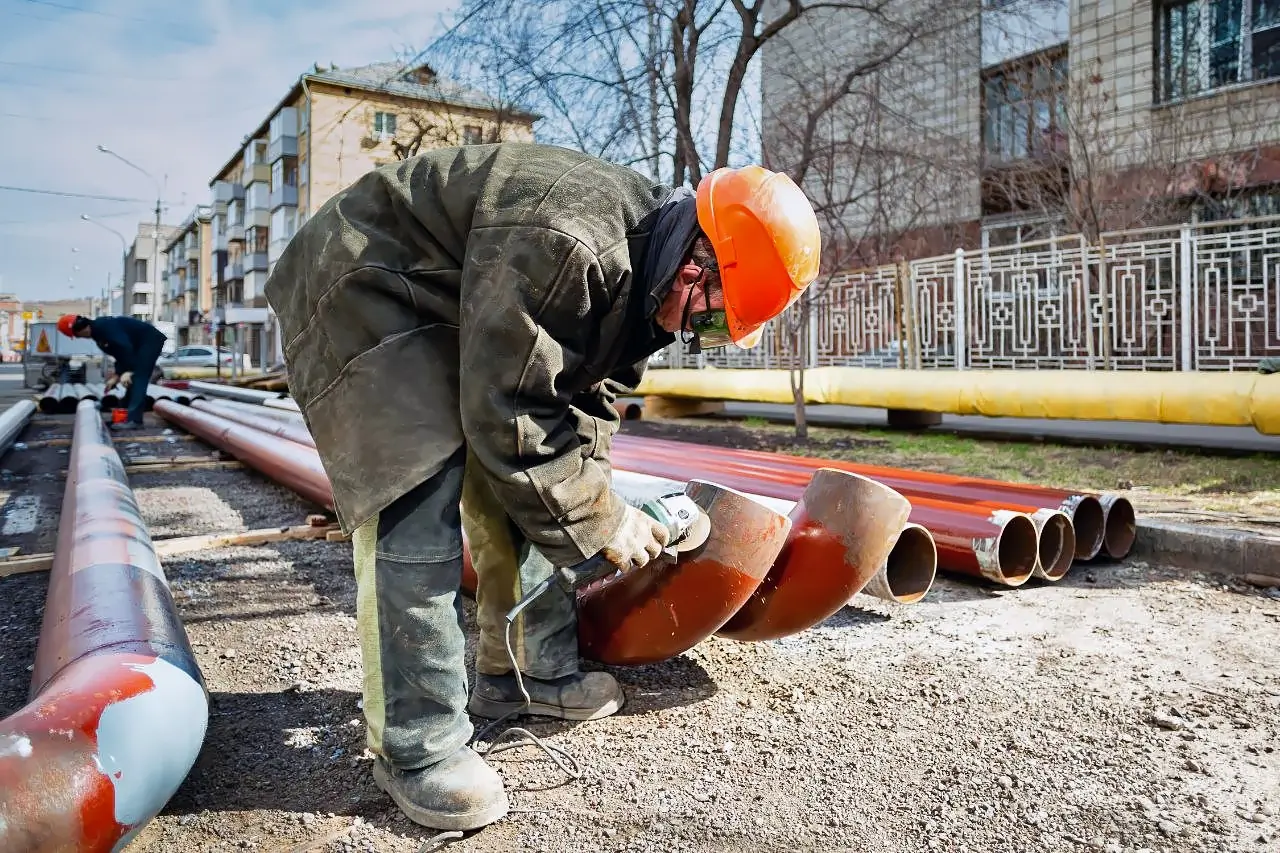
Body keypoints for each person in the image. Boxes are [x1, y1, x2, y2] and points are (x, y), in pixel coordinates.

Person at [264, 142, 820, 832]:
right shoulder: (574, 245)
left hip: (456, 299)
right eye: (708, 317)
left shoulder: (639, 279)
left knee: (519, 481)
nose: (694, 334)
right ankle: (417, 746)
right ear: (694, 266)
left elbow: (585, 403)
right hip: (365, 281)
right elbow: (510, 413)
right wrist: (601, 520)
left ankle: (526, 672)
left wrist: (597, 499)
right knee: (414, 494)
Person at [57, 314, 167, 430]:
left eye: (77, 336)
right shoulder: (98, 334)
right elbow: (120, 354)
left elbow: (125, 347)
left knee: (139, 377)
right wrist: (117, 375)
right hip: (138, 346)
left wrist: (129, 371)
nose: (80, 338)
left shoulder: (104, 327)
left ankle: (134, 420)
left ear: (79, 329)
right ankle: (125, 416)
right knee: (133, 380)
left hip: (149, 341)